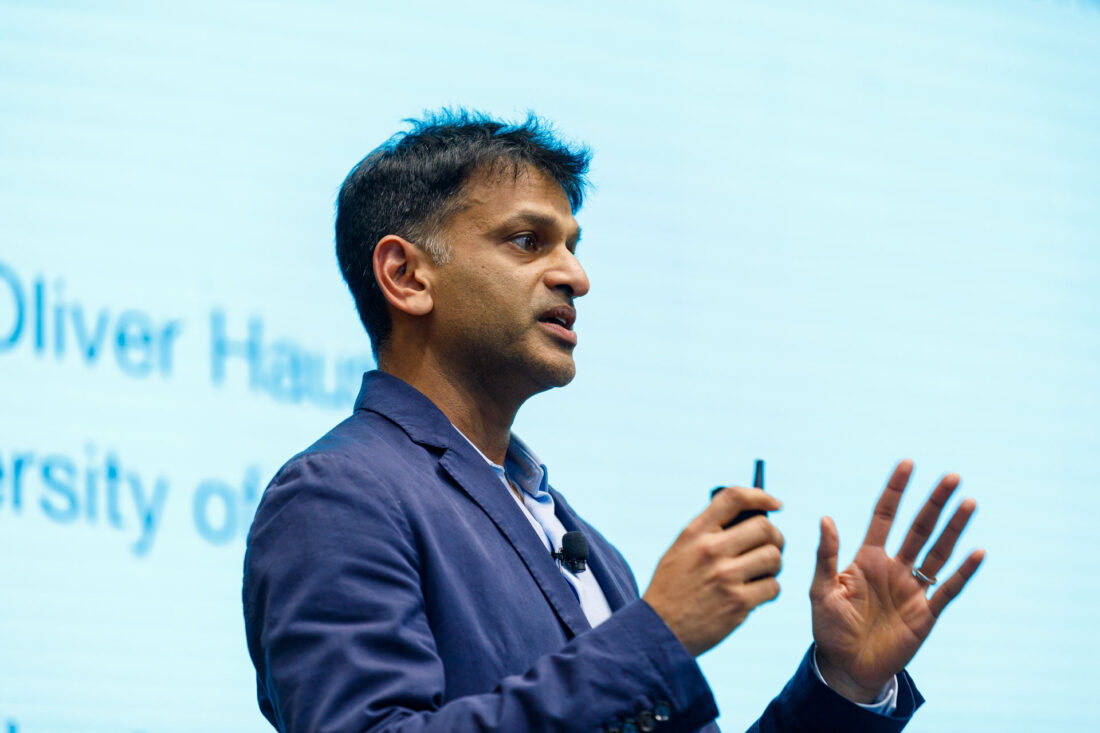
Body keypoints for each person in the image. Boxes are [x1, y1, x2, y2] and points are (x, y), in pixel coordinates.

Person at [242, 110, 985, 733]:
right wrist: (657, 633)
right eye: (527, 241)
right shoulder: (337, 495)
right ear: (406, 276)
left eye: (573, 245)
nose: (576, 277)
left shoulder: (588, 545)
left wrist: (843, 685)